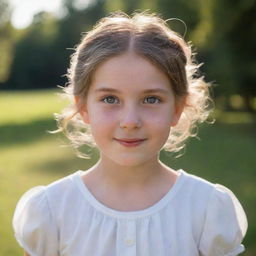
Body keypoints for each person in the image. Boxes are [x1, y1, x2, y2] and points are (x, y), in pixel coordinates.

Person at [13, 11, 247, 256]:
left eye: (151, 99)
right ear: (84, 108)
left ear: (177, 109)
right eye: (110, 99)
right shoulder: (51, 210)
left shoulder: (207, 209)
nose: (130, 121)